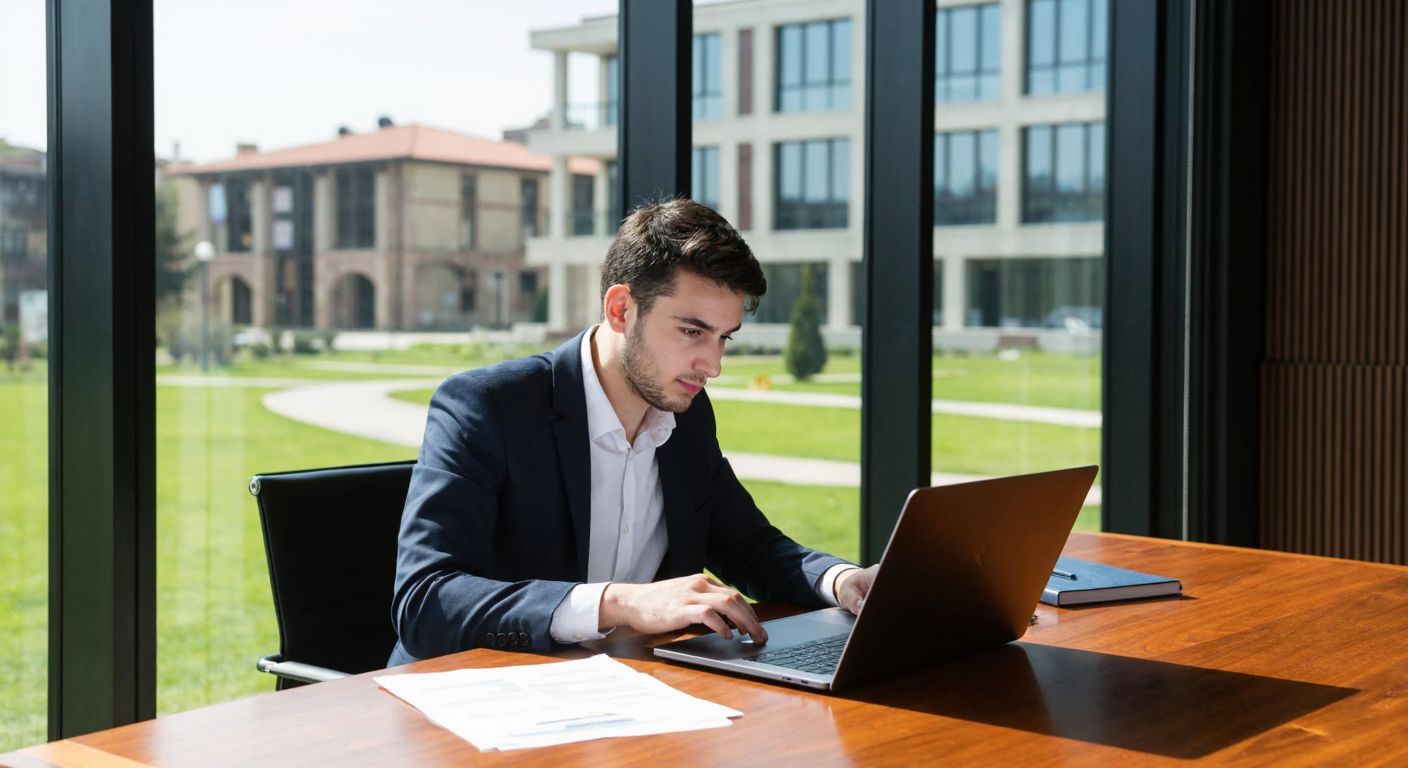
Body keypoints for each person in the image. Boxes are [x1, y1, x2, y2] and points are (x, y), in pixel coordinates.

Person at [389, 198, 877, 665]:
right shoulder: (489, 407)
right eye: (692, 331)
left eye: (722, 338)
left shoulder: (686, 412)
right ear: (621, 310)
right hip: (471, 703)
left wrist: (841, 580)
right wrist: (620, 604)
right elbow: (425, 598)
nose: (714, 365)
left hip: (627, 690)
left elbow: (745, 544)